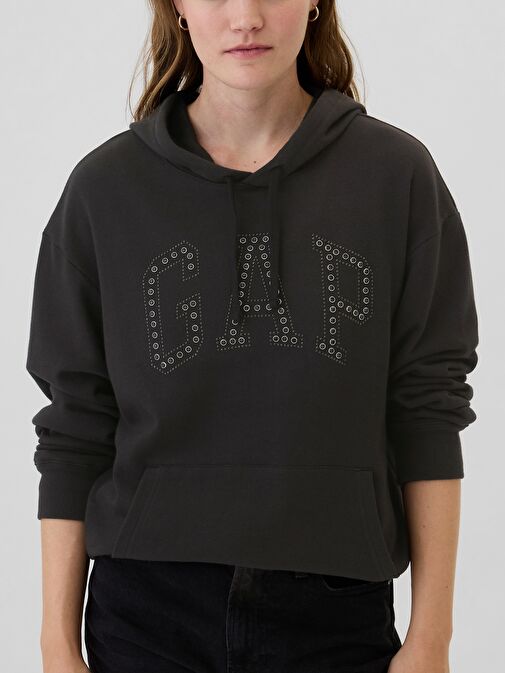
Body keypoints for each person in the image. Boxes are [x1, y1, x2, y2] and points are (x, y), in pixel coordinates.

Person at [26, 1, 479, 672]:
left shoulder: (395, 176)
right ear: (178, 8)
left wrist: (431, 636)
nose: (245, 16)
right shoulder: (104, 190)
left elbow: (427, 407)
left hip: (335, 614)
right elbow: (75, 427)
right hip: (147, 611)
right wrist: (57, 645)